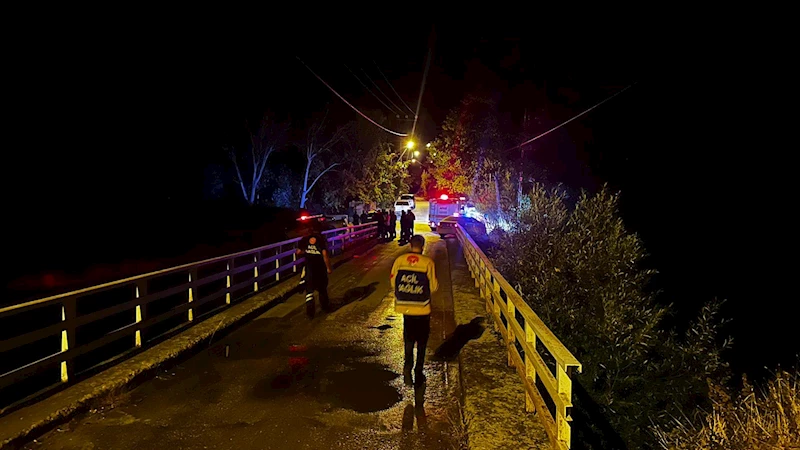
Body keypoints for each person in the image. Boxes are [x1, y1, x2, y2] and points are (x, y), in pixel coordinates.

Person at [390, 235, 438, 386]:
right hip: (422, 309)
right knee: (422, 342)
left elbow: (393, 281)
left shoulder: (399, 261)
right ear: (422, 246)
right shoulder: (427, 263)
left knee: (409, 340)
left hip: (406, 308)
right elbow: (434, 286)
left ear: (411, 245)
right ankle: (418, 371)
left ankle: (407, 368)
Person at [296, 220, 333, 318]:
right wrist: (329, 268)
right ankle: (325, 306)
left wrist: (307, 252)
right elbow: (325, 254)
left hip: (309, 268)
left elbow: (298, 252)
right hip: (320, 268)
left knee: (309, 289)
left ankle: (310, 310)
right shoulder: (321, 239)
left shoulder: (304, 239)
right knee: (322, 288)